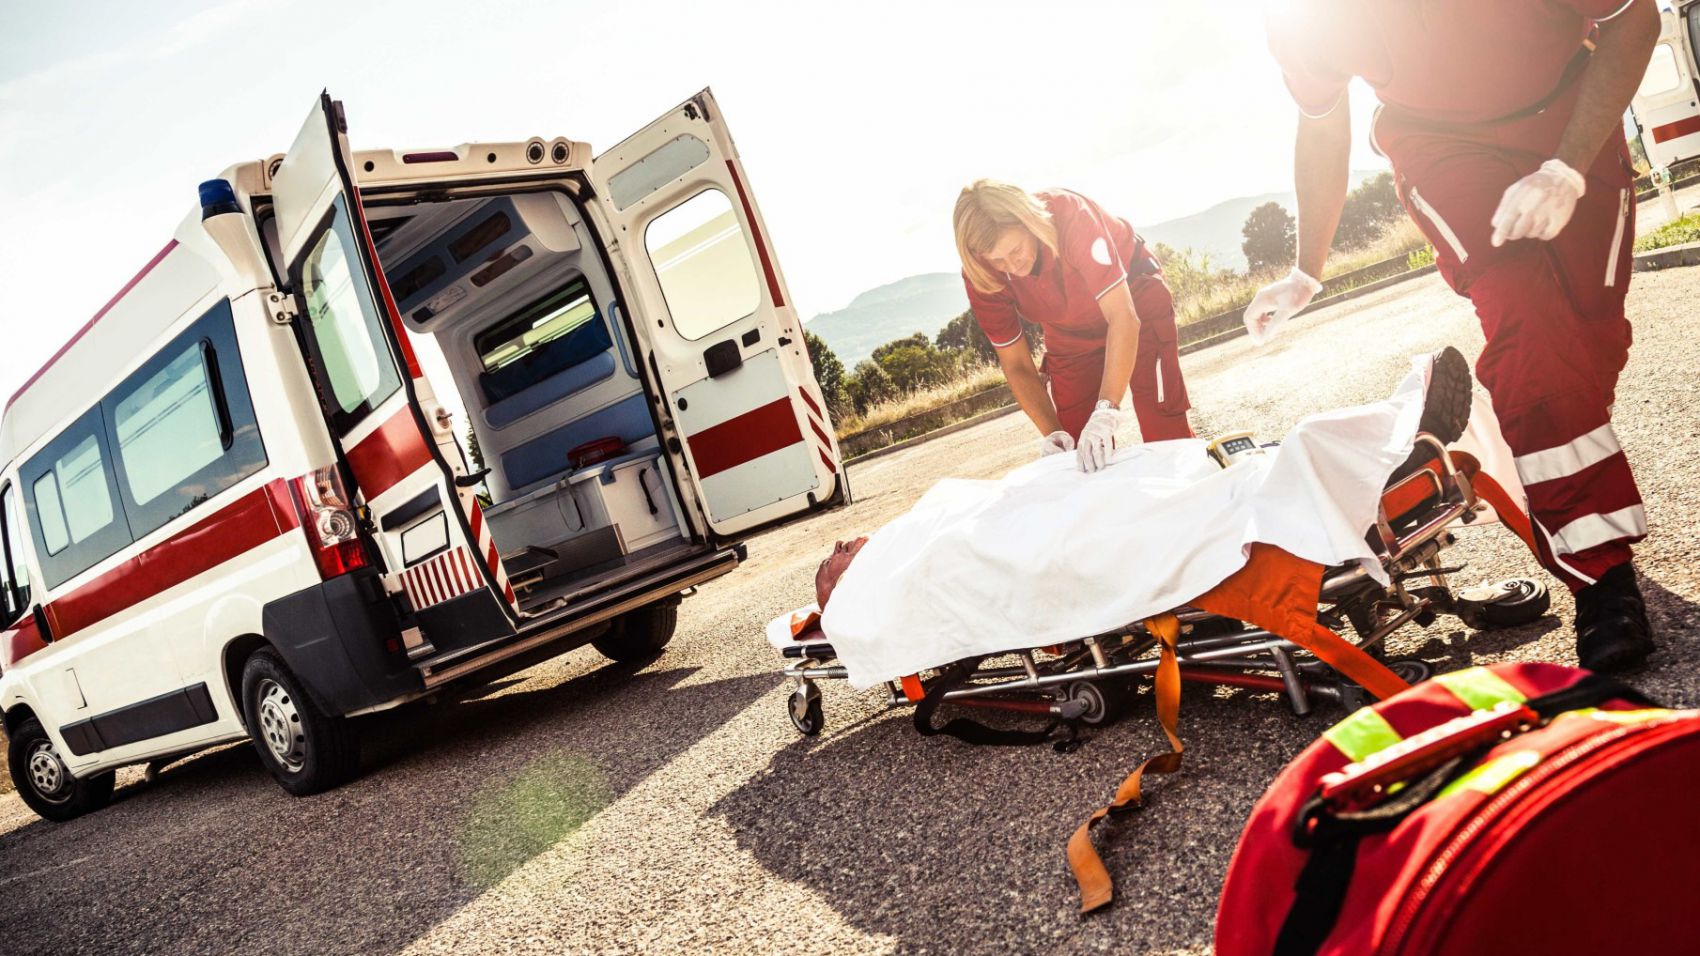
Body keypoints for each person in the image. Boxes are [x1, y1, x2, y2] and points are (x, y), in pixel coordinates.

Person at [1243, 0, 1662, 673]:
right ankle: (1600, 575)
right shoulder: (1305, 18)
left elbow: (1634, 19)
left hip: (1570, 110)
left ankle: (1554, 450)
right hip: (1441, 151)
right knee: (1529, 328)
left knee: (1588, 341)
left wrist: (1567, 166)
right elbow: (1322, 128)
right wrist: (1305, 271)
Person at [953, 181, 1194, 473]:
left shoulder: (1069, 216)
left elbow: (1123, 317)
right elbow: (1016, 364)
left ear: (1030, 223)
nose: (1011, 266)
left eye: (1016, 249)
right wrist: (1052, 433)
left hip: (1134, 298)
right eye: (998, 259)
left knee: (1164, 432)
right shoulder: (982, 273)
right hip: (1067, 331)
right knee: (1079, 451)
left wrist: (1106, 410)